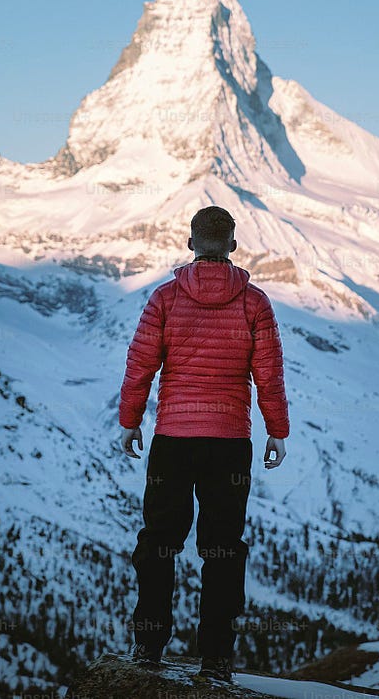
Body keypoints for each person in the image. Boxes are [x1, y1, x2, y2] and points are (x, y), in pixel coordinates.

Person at [118, 205, 290, 683]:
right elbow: (269, 375)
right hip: (230, 443)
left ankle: (148, 648)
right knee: (222, 550)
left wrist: (131, 421)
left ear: (191, 243)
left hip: (173, 439)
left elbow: (140, 365)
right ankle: (215, 659)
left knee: (158, 544)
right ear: (232, 246)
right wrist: (278, 429)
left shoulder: (165, 299)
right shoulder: (255, 303)